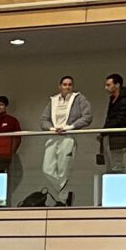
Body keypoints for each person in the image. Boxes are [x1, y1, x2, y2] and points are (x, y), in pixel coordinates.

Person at [34, 75, 92, 207]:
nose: (67, 87)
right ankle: (65, 193)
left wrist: (70, 127)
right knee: (47, 169)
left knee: (63, 169)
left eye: (70, 84)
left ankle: (61, 199)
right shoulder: (53, 100)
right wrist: (52, 128)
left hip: (68, 137)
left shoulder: (79, 99)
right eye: (65, 84)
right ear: (60, 86)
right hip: (53, 136)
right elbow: (43, 119)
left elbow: (88, 116)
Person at [100, 73, 126, 182]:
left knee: (116, 163)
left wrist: (106, 128)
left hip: (120, 137)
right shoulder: (113, 99)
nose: (106, 87)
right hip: (113, 136)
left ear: (117, 85)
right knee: (112, 163)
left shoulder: (125, 101)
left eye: (108, 85)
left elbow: (121, 119)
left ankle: (117, 184)